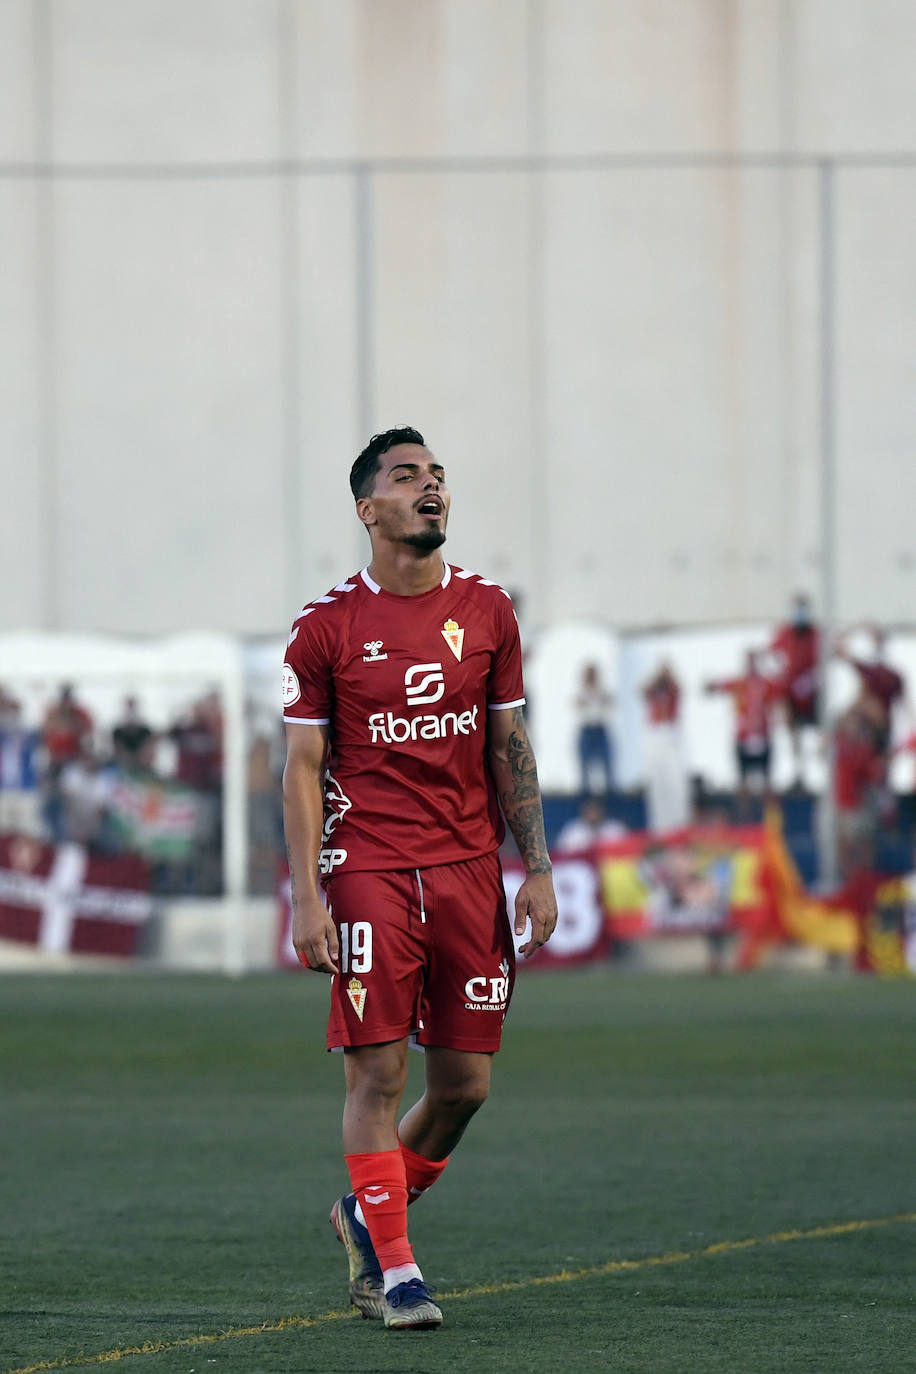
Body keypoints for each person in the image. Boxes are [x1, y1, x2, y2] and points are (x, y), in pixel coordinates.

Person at [281, 427, 558, 1332]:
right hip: (369, 866)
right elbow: (301, 768)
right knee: (379, 1074)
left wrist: (537, 869)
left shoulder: (488, 610)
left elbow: (509, 744)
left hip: (471, 868)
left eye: (436, 474)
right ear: (368, 509)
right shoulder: (324, 628)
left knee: (465, 1087)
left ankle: (364, 1213)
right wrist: (307, 896)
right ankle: (396, 1273)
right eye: (406, 476)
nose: (429, 485)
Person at [705, 651, 781, 816]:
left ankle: (772, 820)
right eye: (749, 661)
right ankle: (744, 820)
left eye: (754, 660)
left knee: (768, 784)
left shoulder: (767, 683)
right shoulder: (739, 683)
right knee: (742, 784)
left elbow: (780, 697)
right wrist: (710, 685)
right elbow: (715, 687)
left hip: (762, 737)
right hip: (743, 738)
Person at [769, 592, 820, 789]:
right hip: (791, 693)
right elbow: (773, 654)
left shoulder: (816, 634)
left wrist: (810, 680)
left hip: (813, 693)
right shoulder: (785, 633)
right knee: (792, 730)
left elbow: (824, 659)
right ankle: (799, 772)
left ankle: (820, 766)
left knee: (821, 732)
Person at [641, 661, 690, 833]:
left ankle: (679, 823)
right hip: (656, 731)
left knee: (676, 780)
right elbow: (642, 691)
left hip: (671, 730)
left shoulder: (672, 687)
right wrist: (657, 678)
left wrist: (668, 677)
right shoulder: (654, 688)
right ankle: (659, 826)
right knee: (657, 782)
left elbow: (680, 689)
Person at [574, 663, 614, 795]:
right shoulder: (581, 690)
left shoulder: (602, 689)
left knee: (607, 764)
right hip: (586, 729)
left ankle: (609, 793)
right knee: (584, 766)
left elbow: (609, 702)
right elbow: (577, 704)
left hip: (600, 729)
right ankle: (585, 794)